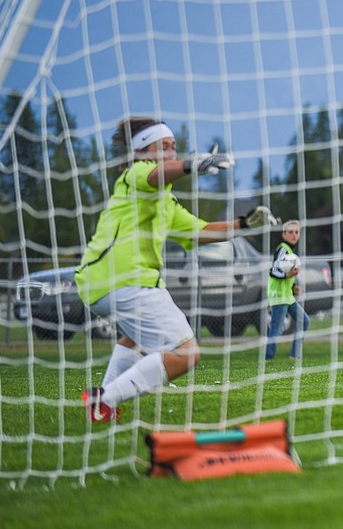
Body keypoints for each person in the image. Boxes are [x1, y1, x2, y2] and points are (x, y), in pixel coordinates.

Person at [75, 117, 278, 422]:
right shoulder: (137, 174)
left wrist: (244, 224)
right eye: (164, 147)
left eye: (174, 148)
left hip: (99, 283)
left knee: (136, 338)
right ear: (143, 151)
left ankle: (103, 407)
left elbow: (201, 232)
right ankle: (103, 400)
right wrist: (191, 164)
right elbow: (158, 173)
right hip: (126, 281)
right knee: (186, 354)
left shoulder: (164, 201)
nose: (171, 153)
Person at [265, 219, 310, 361]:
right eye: (290, 232)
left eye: (296, 232)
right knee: (276, 330)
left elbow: (285, 275)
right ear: (284, 234)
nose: (294, 235)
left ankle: (295, 354)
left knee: (304, 320)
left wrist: (293, 286)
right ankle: (268, 357)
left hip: (287, 296)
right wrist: (287, 275)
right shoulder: (283, 249)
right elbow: (273, 271)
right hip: (278, 296)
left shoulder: (290, 251)